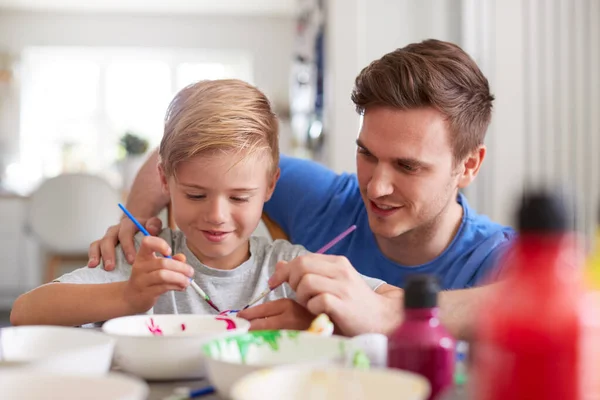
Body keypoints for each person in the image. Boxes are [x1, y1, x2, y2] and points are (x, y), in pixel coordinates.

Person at [86, 39, 516, 339]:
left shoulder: (498, 256)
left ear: (468, 166)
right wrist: (135, 225)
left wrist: (390, 311)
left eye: (407, 166)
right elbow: (183, 151)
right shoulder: (325, 199)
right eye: (366, 154)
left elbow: (575, 304)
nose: (377, 186)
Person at [9, 79, 388, 328]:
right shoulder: (145, 262)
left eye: (239, 197)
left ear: (270, 186)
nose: (216, 215)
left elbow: (396, 302)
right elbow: (25, 313)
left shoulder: (287, 266)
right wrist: (126, 296)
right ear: (164, 180)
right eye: (195, 194)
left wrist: (321, 317)